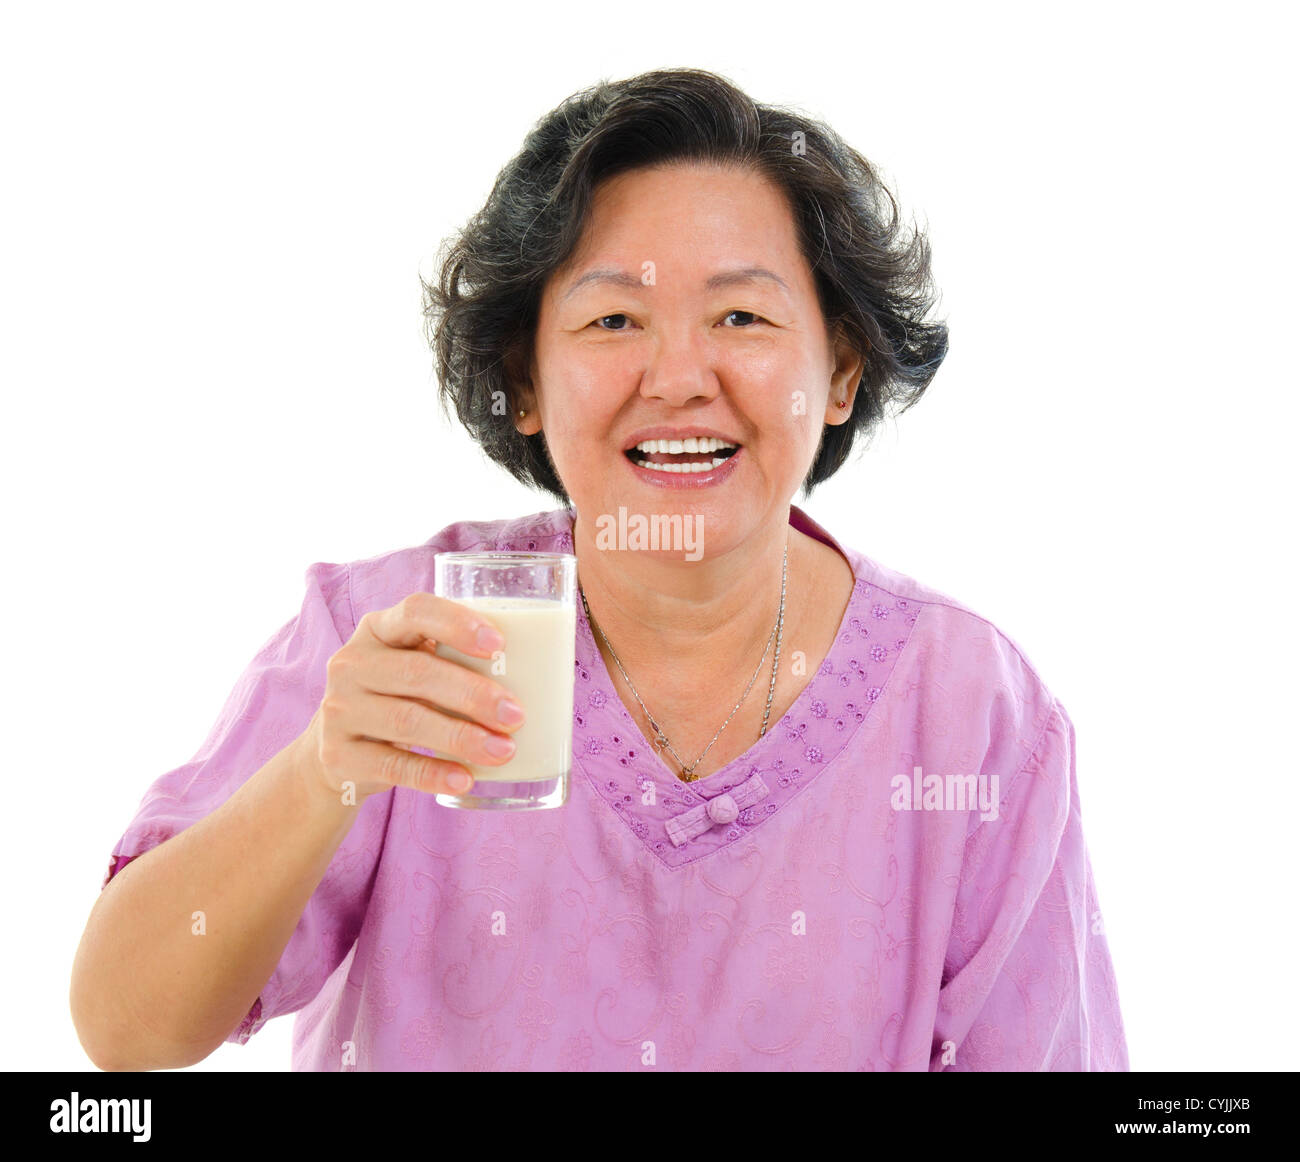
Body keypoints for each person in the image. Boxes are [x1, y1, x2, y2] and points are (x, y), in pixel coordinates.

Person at [70, 67, 1128, 1071]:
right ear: (523, 381)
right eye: (612, 318)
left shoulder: (972, 711)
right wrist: (322, 767)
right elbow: (125, 1027)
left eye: (742, 318)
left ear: (840, 371)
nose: (678, 377)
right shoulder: (395, 633)